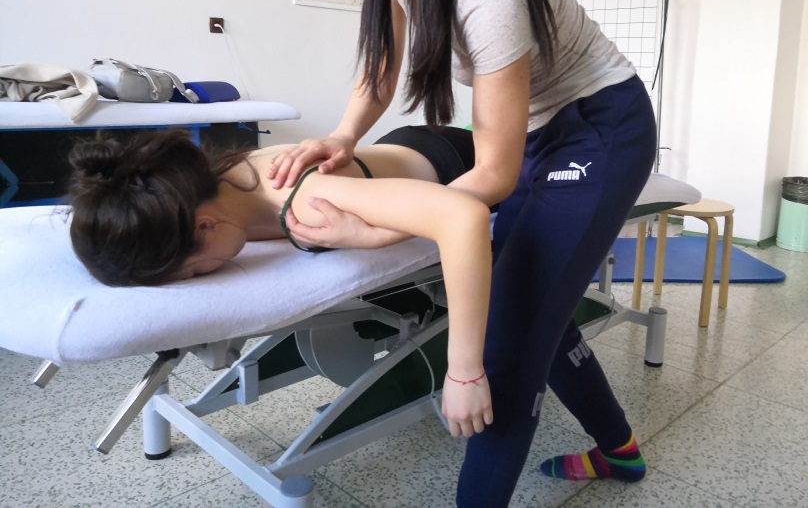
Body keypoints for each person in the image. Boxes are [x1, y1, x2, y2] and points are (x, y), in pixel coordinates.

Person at [266, 0, 657, 505]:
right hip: (536, 132)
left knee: (505, 348)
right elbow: (381, 64)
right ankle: (620, 451)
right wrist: (342, 135)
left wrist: (377, 231)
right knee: (538, 308)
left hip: (598, 128)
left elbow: (492, 175)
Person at [65, 124, 493, 439]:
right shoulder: (204, 187)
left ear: (204, 225)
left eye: (193, 271)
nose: (202, 276)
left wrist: (464, 372)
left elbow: (463, 217)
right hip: (402, 149)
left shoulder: (305, 200)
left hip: (457, 160)